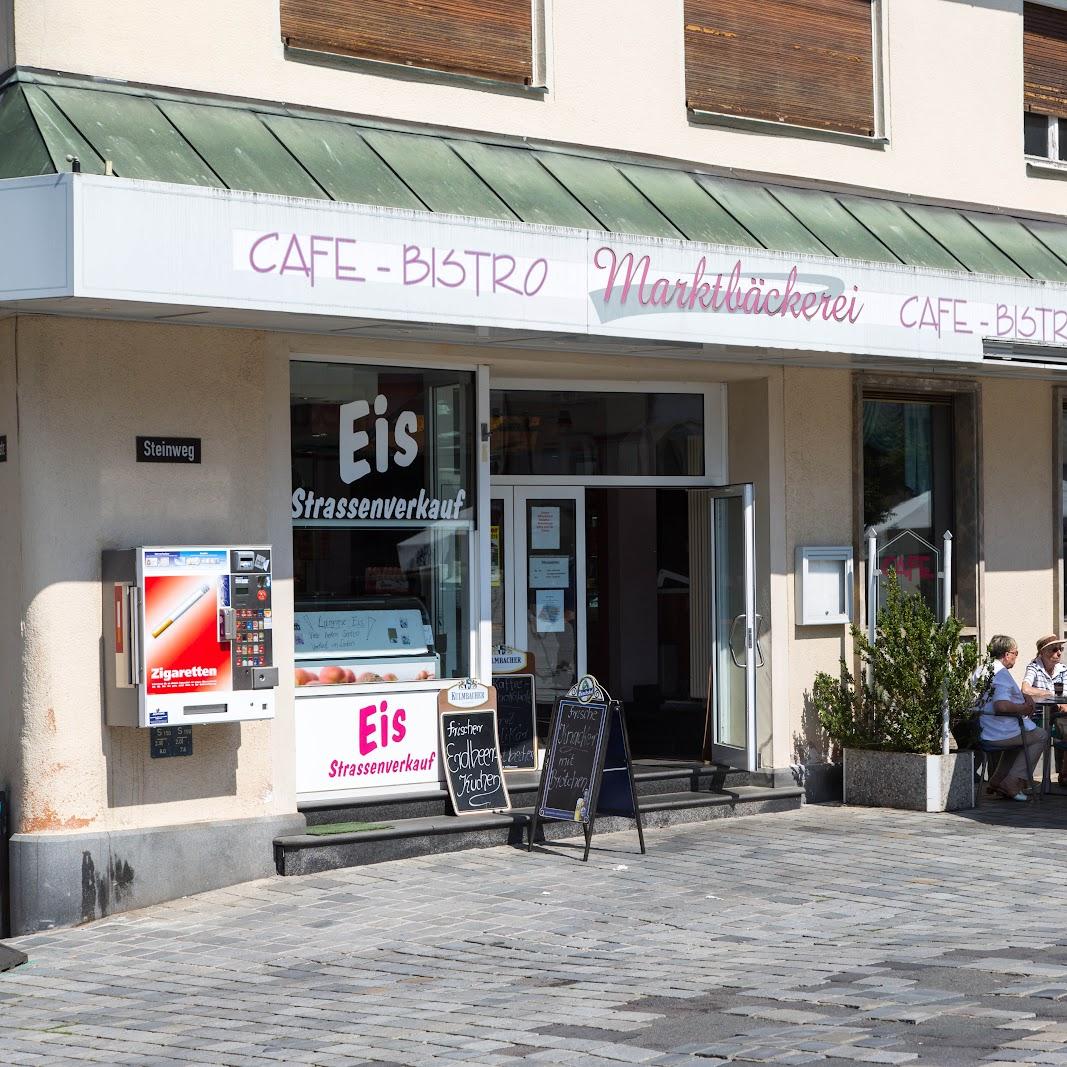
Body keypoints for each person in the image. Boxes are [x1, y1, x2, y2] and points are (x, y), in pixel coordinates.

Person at [976, 634, 1048, 800]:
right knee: (1041, 736)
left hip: (986, 727)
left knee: (1022, 740)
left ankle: (997, 780)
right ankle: (1012, 782)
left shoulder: (983, 668)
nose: (1016, 656)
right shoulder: (1000, 673)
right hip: (998, 730)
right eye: (1016, 653)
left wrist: (1025, 698)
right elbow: (1001, 705)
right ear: (1007, 654)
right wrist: (1023, 708)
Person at [1022, 634, 1067, 783]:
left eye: (1060, 649)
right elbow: (1025, 689)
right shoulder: (1034, 667)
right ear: (1043, 652)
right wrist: (1050, 694)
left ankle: (1064, 772)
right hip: (1038, 717)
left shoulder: (1062, 669)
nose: (1059, 653)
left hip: (1059, 716)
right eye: (1055, 649)